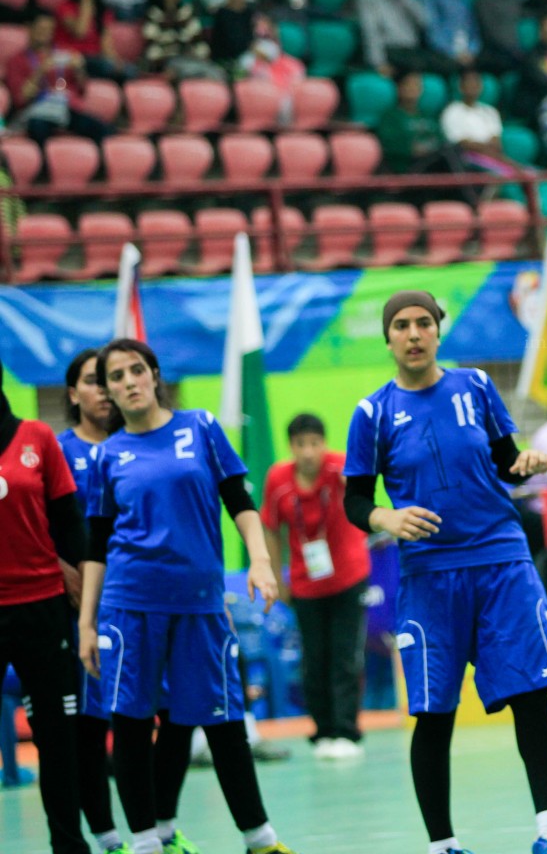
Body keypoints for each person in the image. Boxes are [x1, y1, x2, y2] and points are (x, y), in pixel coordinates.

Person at [343, 291, 547, 854]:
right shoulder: (372, 413)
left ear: (438, 333)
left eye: (424, 323)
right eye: (402, 325)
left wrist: (528, 465)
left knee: (531, 694)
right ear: (389, 338)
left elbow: (505, 464)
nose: (414, 333)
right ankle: (442, 846)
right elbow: (354, 501)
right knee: (433, 711)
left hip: (501, 563)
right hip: (429, 576)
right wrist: (386, 517)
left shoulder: (474, 386)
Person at [77, 339, 296, 854]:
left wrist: (260, 560)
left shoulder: (200, 427)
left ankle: (260, 840)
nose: (129, 381)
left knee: (222, 720)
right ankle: (147, 843)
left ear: (154, 375)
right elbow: (96, 544)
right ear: (108, 390)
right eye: (116, 376)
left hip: (200, 604)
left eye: (137, 370)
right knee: (131, 723)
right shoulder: (108, 455)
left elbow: (239, 499)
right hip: (130, 606)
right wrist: (87, 622)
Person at [58, 350, 202, 854]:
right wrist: (70, 579)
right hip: (90, 611)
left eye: (111, 379)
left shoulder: (154, 445)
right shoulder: (62, 452)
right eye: (94, 381)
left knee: (178, 714)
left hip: (160, 605)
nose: (104, 389)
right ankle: (108, 834)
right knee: (97, 725)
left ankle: (163, 824)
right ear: (74, 394)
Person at [0, 359, 91, 854]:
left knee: (57, 741)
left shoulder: (37, 437)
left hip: (42, 607)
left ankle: (69, 846)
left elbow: (68, 521)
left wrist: (86, 592)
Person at [261, 414, 370, 760]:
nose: (308, 452)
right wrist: (279, 581)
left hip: (348, 578)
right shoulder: (278, 479)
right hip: (305, 586)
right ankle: (322, 729)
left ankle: (346, 731)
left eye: (314, 443)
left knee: (345, 656)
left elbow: (364, 492)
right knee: (314, 659)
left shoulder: (340, 468)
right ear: (291, 447)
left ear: (324, 443)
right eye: (300, 444)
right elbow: (269, 527)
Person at [4, 9, 114, 145]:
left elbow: (81, 89)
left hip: (66, 108)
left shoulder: (64, 54)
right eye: (41, 29)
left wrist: (79, 69)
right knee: (38, 126)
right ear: (29, 28)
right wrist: (40, 71)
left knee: (101, 128)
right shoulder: (17, 60)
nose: (45, 34)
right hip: (38, 110)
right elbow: (20, 98)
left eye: (49, 30)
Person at [358, 0, 446, 77]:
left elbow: (425, 21)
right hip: (391, 50)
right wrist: (379, 63)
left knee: (443, 64)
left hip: (412, 49)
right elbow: (371, 32)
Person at [54, 0, 132, 83]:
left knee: (129, 71)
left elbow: (106, 42)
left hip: (94, 57)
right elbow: (80, 32)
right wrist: (86, 1)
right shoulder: (65, 7)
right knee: (105, 67)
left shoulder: (103, 11)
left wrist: (116, 62)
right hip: (72, 57)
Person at [143, 0, 225, 81]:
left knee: (218, 73)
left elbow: (198, 42)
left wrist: (202, 57)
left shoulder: (187, 12)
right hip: (168, 62)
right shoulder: (154, 14)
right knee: (201, 72)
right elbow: (152, 48)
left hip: (190, 60)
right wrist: (160, 67)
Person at [236, 17, 307, 125]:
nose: (262, 32)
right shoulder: (247, 60)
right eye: (258, 31)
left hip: (282, 98)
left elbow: (272, 55)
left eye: (267, 31)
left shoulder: (292, 65)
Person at [378, 71, 452, 174]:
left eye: (417, 84)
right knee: (450, 156)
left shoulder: (428, 115)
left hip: (435, 161)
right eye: (408, 84)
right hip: (409, 167)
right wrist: (415, 149)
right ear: (398, 88)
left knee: (452, 152)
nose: (413, 88)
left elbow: (441, 139)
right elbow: (391, 146)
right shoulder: (390, 117)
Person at [425, 0, 484, 71]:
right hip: (443, 52)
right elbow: (433, 30)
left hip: (467, 51)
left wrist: (471, 51)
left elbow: (473, 30)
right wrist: (453, 53)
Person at [474, 0, 524, 71]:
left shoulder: (514, 0)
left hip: (514, 53)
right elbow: (490, 32)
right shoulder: (484, 1)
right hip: (493, 53)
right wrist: (513, 50)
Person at [209, 0, 258, 67]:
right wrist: (252, 49)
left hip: (250, 55)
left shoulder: (250, 12)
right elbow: (233, 44)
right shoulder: (222, 14)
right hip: (228, 61)